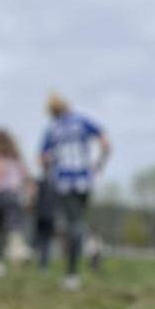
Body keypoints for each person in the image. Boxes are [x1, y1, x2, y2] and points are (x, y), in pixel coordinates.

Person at [40, 92, 111, 290]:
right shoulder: (82, 122)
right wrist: (98, 165)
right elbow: (106, 143)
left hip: (65, 181)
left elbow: (43, 159)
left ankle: (72, 274)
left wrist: (49, 169)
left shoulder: (52, 129)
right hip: (85, 180)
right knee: (79, 220)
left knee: (72, 224)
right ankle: (92, 245)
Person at [0, 128, 30, 276]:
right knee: (13, 225)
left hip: (1, 195)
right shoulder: (16, 159)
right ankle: (17, 250)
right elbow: (25, 176)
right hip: (15, 195)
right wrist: (29, 193)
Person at [32, 169, 58, 269]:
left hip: (46, 215)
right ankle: (42, 262)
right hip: (44, 214)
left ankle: (42, 262)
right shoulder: (48, 183)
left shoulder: (43, 182)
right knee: (43, 239)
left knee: (44, 239)